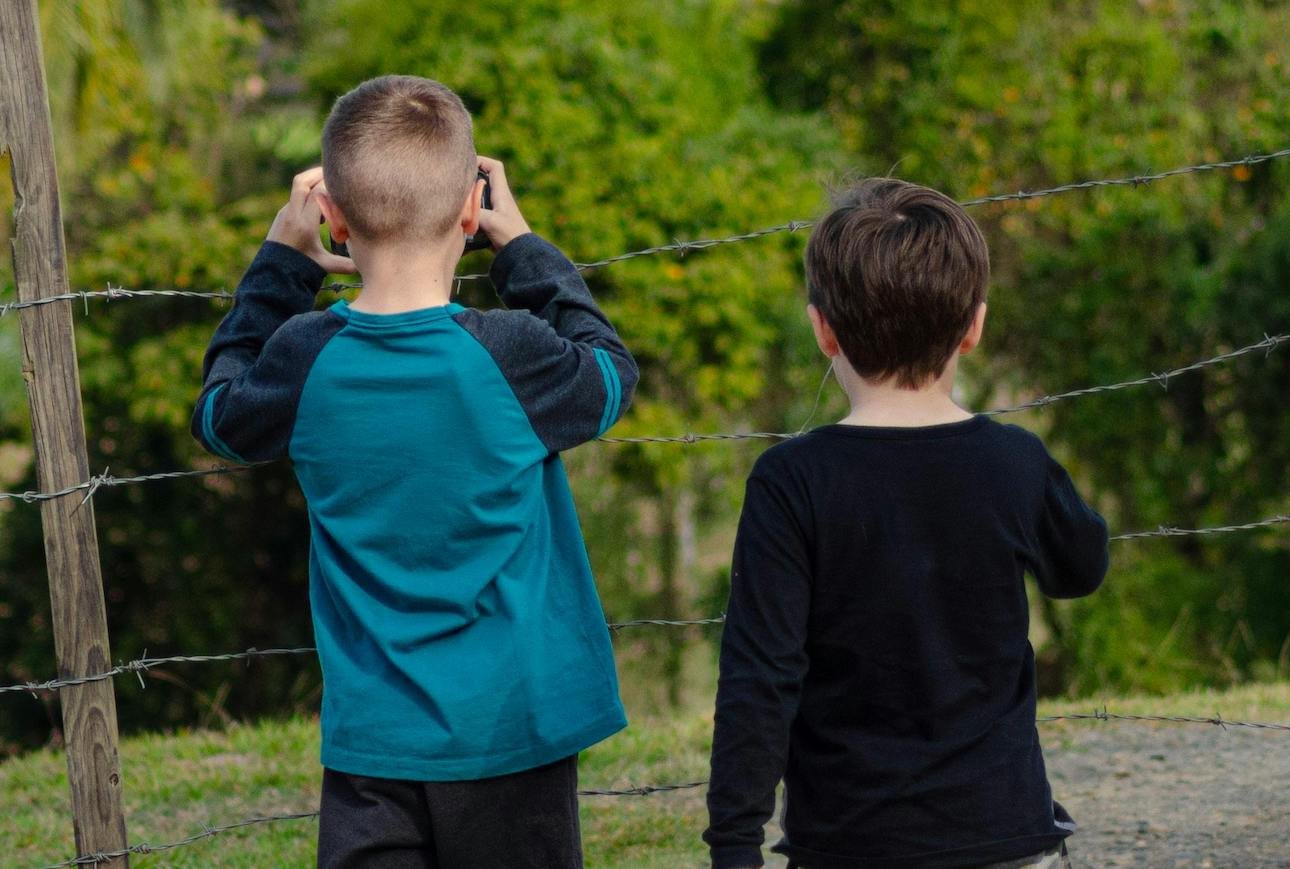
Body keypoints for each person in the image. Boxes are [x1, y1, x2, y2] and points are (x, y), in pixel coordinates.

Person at [191, 75, 637, 868]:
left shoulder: (303, 356)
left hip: (375, 748)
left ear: (329, 213)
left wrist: (278, 267)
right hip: (516, 735)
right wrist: (525, 247)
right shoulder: (514, 352)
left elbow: (219, 420)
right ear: (472, 209)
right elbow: (611, 377)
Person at [704, 179, 1109, 869]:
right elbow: (1080, 568)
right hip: (1003, 832)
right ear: (974, 326)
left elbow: (759, 678)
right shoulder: (1015, 461)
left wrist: (735, 844)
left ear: (822, 328)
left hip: (847, 843)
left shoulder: (791, 480)